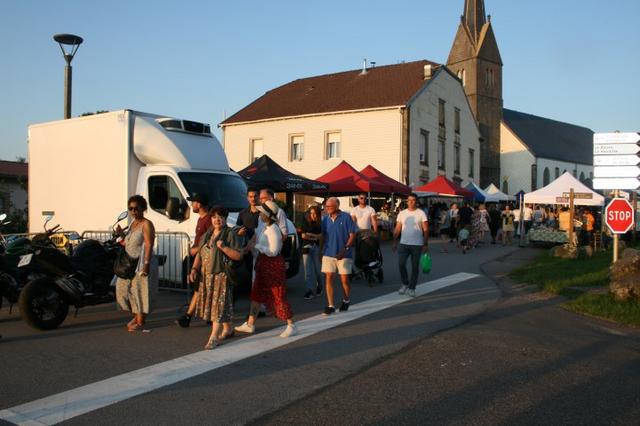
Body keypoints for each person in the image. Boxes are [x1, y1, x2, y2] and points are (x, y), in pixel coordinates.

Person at [235, 200, 296, 337]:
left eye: (262, 212)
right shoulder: (265, 227)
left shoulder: (273, 230)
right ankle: (250, 324)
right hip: (264, 264)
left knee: (278, 295)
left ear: (267, 215)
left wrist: (257, 247)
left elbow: (273, 251)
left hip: (272, 265)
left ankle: (291, 324)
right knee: (256, 293)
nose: (259, 213)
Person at [189, 206, 243, 349]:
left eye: (220, 217)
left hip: (221, 275)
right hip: (207, 275)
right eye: (214, 217)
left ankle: (213, 337)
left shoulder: (230, 234)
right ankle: (228, 328)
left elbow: (238, 255)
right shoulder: (207, 234)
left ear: (225, 219)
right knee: (215, 305)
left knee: (217, 306)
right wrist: (194, 269)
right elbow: (200, 253)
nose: (217, 220)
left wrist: (224, 247)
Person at [116, 195, 157, 332]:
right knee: (124, 292)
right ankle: (137, 317)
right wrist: (121, 235)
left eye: (136, 208)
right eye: (130, 209)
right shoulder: (133, 224)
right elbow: (127, 243)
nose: (133, 211)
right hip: (129, 264)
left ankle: (141, 322)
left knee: (140, 292)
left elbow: (149, 244)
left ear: (143, 208)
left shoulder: (147, 224)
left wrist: (146, 264)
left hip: (141, 263)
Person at [176, 193, 211, 328]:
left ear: (199, 204)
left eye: (193, 202)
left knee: (200, 288)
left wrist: (196, 250)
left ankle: (188, 316)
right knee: (201, 288)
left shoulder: (208, 220)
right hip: (198, 256)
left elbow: (209, 240)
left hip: (204, 258)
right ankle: (206, 315)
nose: (191, 205)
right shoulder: (200, 219)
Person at [321, 197, 357, 315]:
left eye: (330, 206)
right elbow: (323, 235)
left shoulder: (346, 217)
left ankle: (346, 299)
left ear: (337, 206)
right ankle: (331, 305)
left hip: (344, 253)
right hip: (328, 253)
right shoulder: (325, 219)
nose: (327, 208)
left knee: (344, 280)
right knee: (329, 277)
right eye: (326, 206)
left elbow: (352, 235)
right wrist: (321, 251)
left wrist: (345, 249)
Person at [393, 193, 429, 297]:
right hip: (403, 243)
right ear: (407, 201)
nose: (411, 202)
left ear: (416, 201)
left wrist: (425, 244)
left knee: (415, 267)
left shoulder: (421, 213)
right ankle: (405, 283)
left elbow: (426, 229)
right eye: (409, 200)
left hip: (417, 244)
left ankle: (412, 287)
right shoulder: (402, 213)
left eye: (413, 200)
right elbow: (397, 228)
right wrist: (394, 242)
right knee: (401, 264)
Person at [301, 205, 323, 300]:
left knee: (318, 270)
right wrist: (315, 237)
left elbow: (321, 237)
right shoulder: (306, 221)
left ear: (318, 214)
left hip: (317, 248)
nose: (313, 215)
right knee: (308, 271)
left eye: (314, 213)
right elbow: (303, 236)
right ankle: (309, 290)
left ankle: (320, 286)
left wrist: (310, 235)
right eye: (311, 213)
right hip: (306, 247)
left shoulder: (321, 223)